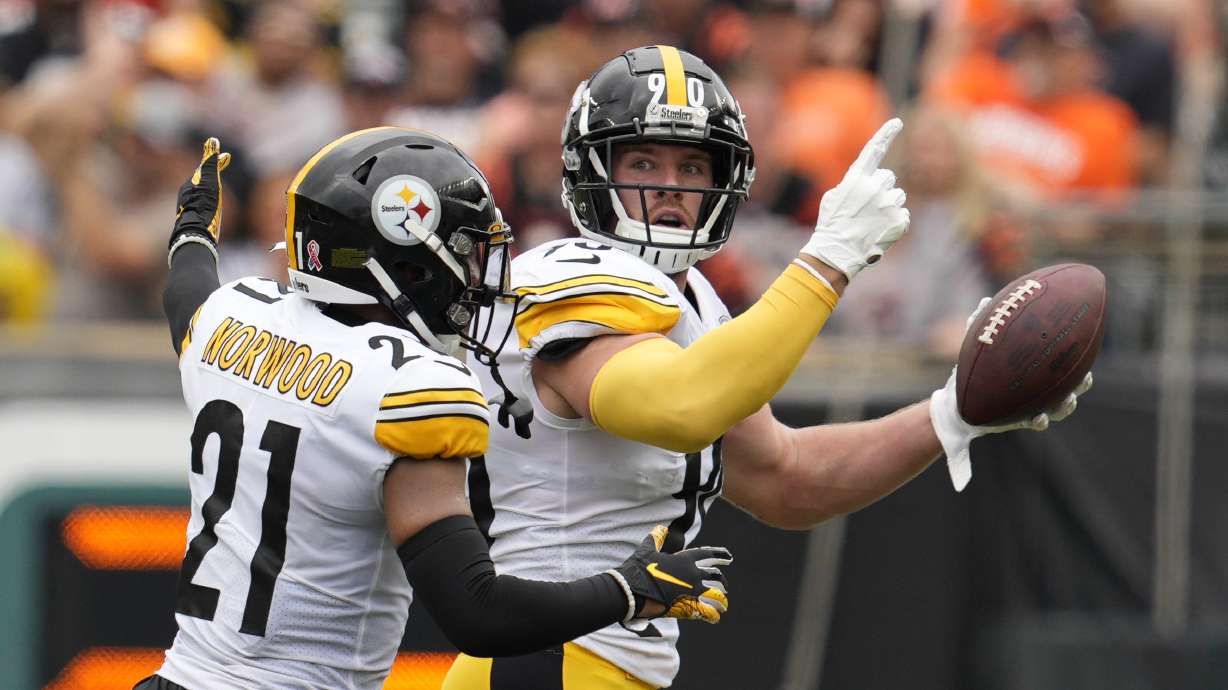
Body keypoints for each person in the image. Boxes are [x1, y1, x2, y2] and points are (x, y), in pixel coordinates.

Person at [449, 46, 1094, 689]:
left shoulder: (694, 299)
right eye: (643, 160)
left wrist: (953, 413)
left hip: (602, 666)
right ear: (591, 171)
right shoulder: (569, 274)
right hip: (545, 662)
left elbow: (785, 478)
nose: (670, 186)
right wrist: (827, 263)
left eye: (693, 165)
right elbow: (678, 408)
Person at [137, 127, 736, 690]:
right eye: (463, 253)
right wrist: (625, 591)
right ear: (404, 263)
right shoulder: (410, 389)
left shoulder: (233, 316)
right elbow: (478, 614)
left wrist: (192, 230)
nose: (476, 276)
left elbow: (186, 288)